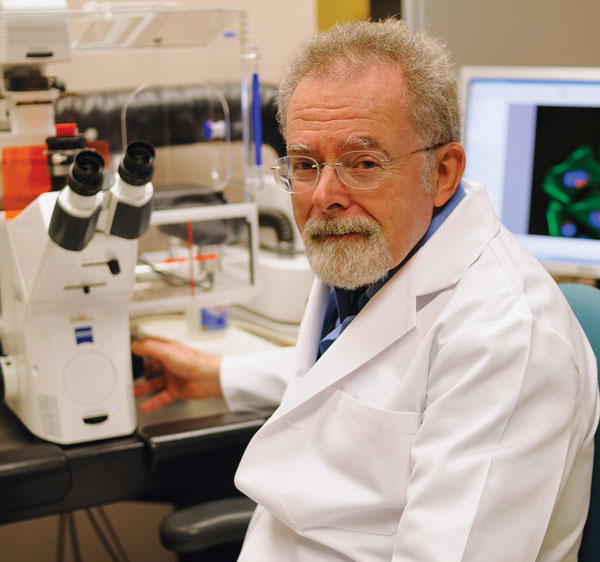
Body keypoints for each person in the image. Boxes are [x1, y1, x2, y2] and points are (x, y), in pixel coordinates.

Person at [133, 18, 599, 561]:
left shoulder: (506, 340)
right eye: (305, 164)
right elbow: (358, 368)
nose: (324, 195)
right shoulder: (379, 248)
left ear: (443, 172)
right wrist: (218, 375)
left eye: (364, 163)